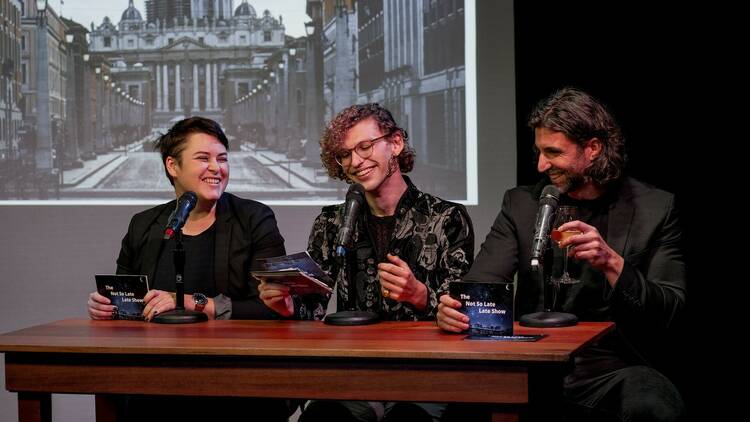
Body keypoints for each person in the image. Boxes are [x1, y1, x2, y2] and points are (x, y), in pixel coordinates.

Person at [437, 87, 686, 421]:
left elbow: (669, 308)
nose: (541, 165)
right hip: (529, 360)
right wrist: (456, 309)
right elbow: (483, 283)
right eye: (539, 151)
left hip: (609, 367)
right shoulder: (521, 204)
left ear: (593, 149)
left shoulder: (654, 208)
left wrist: (612, 263)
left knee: (654, 406)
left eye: (553, 152)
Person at [259, 103, 475, 422]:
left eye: (364, 147)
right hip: (354, 372)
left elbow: (468, 316)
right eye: (344, 154)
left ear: (396, 143)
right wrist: (287, 306)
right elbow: (312, 308)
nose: (355, 162)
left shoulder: (446, 218)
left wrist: (420, 296)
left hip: (425, 373)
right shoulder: (332, 222)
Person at [86, 116, 291, 421]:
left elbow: (272, 308)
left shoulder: (255, 220)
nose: (216, 168)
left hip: (236, 378)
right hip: (157, 379)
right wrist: (107, 306)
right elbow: (127, 300)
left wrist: (193, 302)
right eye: (203, 158)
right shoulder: (144, 225)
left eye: (222, 159)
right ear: (173, 166)